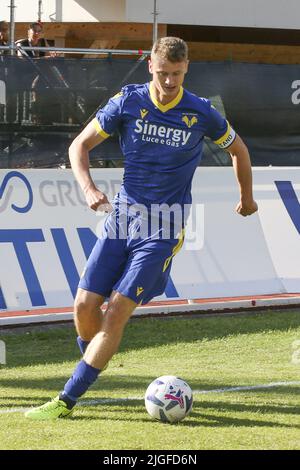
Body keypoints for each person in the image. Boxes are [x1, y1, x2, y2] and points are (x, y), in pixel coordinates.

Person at [25, 37, 258, 420]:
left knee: (115, 311)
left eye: (177, 75)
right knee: (84, 305)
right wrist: (89, 188)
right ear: (151, 65)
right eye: (164, 73)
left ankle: (66, 400)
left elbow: (239, 150)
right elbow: (79, 146)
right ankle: (95, 356)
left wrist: (246, 197)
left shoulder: (201, 112)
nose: (169, 82)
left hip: (164, 226)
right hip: (121, 217)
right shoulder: (127, 101)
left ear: (187, 70)